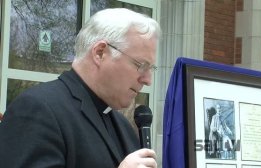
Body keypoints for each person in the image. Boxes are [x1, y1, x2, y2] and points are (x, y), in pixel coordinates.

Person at [0, 8, 161, 168]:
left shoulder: (123, 126)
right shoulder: (36, 110)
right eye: (141, 65)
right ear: (100, 53)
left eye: (151, 68)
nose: (148, 80)